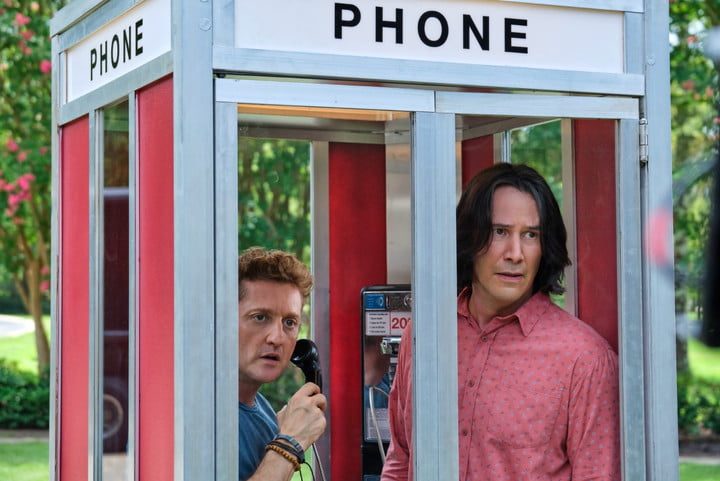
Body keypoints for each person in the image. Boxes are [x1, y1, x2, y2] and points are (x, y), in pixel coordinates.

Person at [381, 164, 620, 481]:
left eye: (530, 235)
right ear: (469, 237)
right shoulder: (425, 335)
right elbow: (401, 458)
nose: (515, 254)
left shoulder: (585, 360)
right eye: (500, 232)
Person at [238, 247, 327, 481]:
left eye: (289, 322)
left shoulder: (263, 411)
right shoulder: (205, 414)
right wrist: (290, 442)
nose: (277, 338)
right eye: (260, 317)